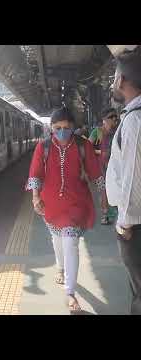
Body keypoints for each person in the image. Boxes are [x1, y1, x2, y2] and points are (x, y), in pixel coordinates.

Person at [26, 106, 104, 313]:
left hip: (76, 204)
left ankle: (70, 292)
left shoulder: (83, 145)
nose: (62, 131)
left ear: (73, 128)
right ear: (51, 128)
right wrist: (35, 198)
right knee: (57, 239)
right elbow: (35, 174)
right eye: (58, 127)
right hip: (50, 204)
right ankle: (60, 267)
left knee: (70, 242)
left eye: (67, 127)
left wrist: (105, 198)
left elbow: (95, 173)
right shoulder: (42, 147)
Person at [106, 49, 141, 315]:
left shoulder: (135, 122)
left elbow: (133, 179)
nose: (111, 82)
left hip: (136, 226)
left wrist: (124, 224)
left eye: (114, 76)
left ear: (123, 80)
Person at [88, 108, 119, 224]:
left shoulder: (118, 131)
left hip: (115, 166)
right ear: (104, 119)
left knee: (115, 189)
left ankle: (117, 213)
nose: (114, 119)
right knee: (103, 191)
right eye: (111, 117)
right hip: (100, 168)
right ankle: (105, 214)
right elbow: (88, 148)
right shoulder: (97, 132)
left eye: (115, 116)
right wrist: (101, 152)